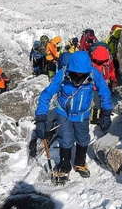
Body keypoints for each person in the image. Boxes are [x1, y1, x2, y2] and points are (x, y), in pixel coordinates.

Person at [34, 51, 113, 184]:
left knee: (83, 139)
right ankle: (65, 166)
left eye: (82, 74)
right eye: (76, 73)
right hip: (63, 112)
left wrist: (106, 112)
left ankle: (80, 162)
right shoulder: (63, 74)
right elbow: (46, 95)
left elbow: (104, 91)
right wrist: (41, 118)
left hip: (83, 114)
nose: (79, 76)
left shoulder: (93, 74)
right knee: (66, 138)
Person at [89, 44, 117, 124]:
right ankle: (94, 118)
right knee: (96, 102)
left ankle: (103, 114)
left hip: (105, 83)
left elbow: (111, 70)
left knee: (105, 99)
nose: (100, 62)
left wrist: (113, 79)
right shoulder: (92, 62)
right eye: (99, 61)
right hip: (95, 86)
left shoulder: (108, 61)